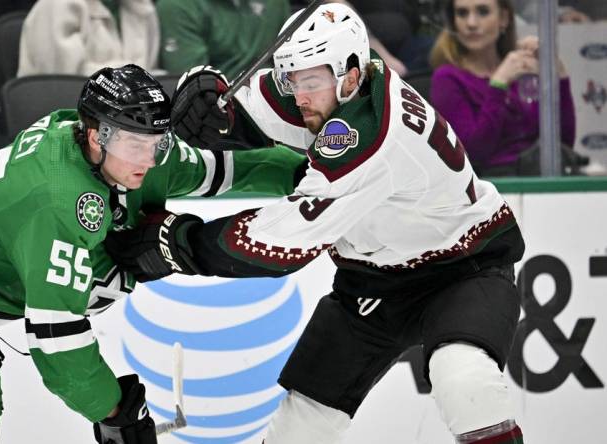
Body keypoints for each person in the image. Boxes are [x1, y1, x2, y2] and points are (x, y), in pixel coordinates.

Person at [105, 4, 527, 443]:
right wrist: (210, 94)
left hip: (461, 270)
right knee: (299, 427)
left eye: (309, 82)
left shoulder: (373, 134)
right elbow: (250, 108)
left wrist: (179, 241)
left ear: (349, 74)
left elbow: (282, 241)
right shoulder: (332, 79)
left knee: (464, 380)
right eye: (293, 78)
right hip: (372, 282)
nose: (299, 95)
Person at [0, 64, 305, 443]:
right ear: (94, 135)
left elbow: (229, 171)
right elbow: (56, 343)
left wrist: (325, 170)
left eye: (156, 142)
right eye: (133, 144)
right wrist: (116, 410)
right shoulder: (60, 200)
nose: (147, 158)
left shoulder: (134, 152)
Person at [429, 0, 577, 176]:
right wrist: (498, 84)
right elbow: (472, 153)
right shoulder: (447, 78)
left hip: (541, 179)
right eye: (462, 13)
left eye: (483, 12)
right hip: (493, 186)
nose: (471, 23)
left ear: (504, 18)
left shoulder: (520, 69)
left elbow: (563, 141)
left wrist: (557, 73)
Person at [17, 0, 160, 77]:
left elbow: (149, 68)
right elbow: (63, 79)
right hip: (64, 117)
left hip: (127, 115)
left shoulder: (142, 7)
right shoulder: (57, 4)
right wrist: (132, 74)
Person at [156, 0, 290, 80]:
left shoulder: (277, 3)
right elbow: (192, 85)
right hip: (219, 109)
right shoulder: (177, 5)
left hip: (279, 95)